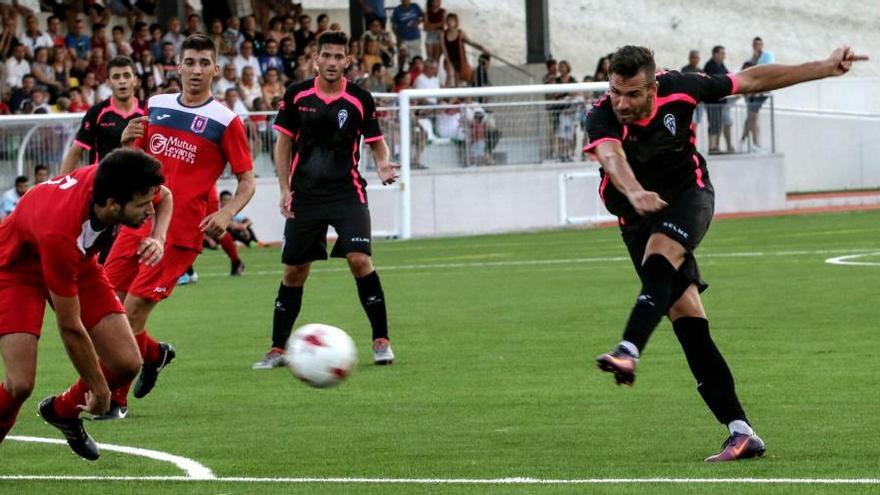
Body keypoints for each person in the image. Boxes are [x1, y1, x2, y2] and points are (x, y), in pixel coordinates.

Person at [585, 45, 867, 462]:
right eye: (616, 92)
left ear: (653, 86)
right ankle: (741, 432)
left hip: (688, 198)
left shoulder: (681, 88)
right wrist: (634, 192)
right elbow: (611, 156)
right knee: (689, 325)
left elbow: (750, 79)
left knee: (660, 259)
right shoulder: (601, 114)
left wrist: (824, 67)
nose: (622, 103)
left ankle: (628, 351)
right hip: (636, 216)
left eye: (632, 93)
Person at [99, 34, 256, 418]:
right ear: (179, 67)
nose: (197, 70)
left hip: (180, 234)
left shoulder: (226, 121)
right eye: (190, 62)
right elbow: (136, 162)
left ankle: (114, 400)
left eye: (205, 63)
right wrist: (124, 143)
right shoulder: (157, 106)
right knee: (102, 310)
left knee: (132, 312)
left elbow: (247, 181)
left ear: (216, 69)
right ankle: (154, 355)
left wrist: (225, 214)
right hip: (137, 225)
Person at [0, 149, 171, 459]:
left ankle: (62, 411)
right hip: (16, 268)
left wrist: (158, 238)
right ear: (111, 204)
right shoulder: (60, 232)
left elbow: (166, 197)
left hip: (79, 262)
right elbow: (70, 327)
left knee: (127, 362)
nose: (149, 210)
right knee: (20, 382)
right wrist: (99, 388)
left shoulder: (114, 183)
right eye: (142, 205)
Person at [254, 31, 399, 369]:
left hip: (347, 192)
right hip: (305, 195)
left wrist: (382, 163)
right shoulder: (296, 95)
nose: (332, 62)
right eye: (327, 56)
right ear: (315, 58)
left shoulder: (360, 98)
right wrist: (284, 189)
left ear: (347, 60)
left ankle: (381, 340)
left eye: (339, 56)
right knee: (294, 271)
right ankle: (278, 348)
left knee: (359, 260)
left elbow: (377, 142)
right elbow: (283, 145)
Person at [61, 56, 145, 173]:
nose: (122, 81)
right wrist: (61, 185)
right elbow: (76, 151)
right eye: (116, 77)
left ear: (135, 80)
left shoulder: (146, 110)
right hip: (102, 184)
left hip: (137, 184)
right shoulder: (96, 112)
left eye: (126, 75)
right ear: (108, 82)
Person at [703, 45, 734, 153]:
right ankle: (712, 147)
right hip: (712, 101)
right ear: (715, 54)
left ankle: (715, 146)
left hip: (720, 101)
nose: (724, 55)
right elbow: (714, 82)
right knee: (713, 123)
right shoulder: (710, 66)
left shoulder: (720, 65)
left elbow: (728, 76)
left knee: (718, 124)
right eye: (722, 53)